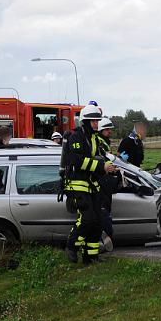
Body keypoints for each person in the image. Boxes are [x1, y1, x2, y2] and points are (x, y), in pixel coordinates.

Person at [63, 103, 117, 265]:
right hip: (77, 185)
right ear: (85, 122)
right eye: (93, 121)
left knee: (98, 222)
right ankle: (71, 246)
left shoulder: (93, 138)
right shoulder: (76, 137)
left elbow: (96, 158)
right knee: (87, 218)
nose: (96, 123)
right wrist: (101, 166)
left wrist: (108, 167)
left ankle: (90, 257)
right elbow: (77, 161)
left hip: (91, 184)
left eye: (97, 120)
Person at [96, 117, 119, 251]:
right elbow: (101, 164)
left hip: (104, 185)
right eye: (107, 129)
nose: (110, 131)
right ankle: (103, 244)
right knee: (103, 217)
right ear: (100, 130)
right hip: (102, 187)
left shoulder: (104, 143)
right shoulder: (99, 143)